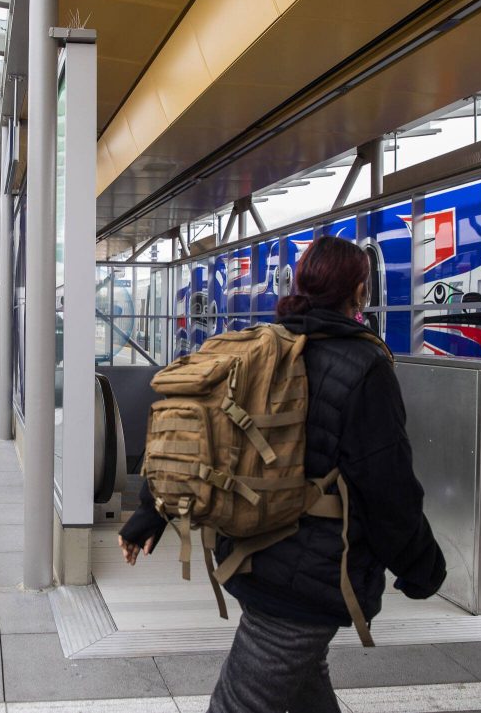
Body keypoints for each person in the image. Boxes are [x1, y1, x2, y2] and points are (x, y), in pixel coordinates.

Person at [118, 236, 446, 713]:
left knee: (305, 681)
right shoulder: (365, 365)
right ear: (358, 291)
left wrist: (151, 510)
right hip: (304, 583)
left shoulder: (262, 347)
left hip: (254, 552)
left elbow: (196, 431)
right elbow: (388, 486)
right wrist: (423, 567)